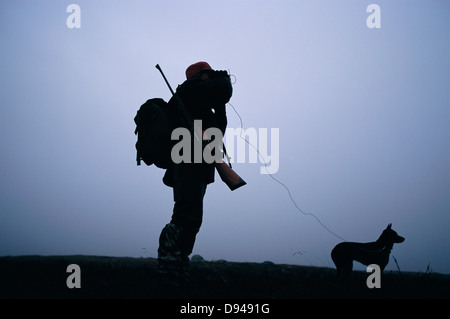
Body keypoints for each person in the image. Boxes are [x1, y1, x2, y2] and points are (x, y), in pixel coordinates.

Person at [156, 62, 233, 280]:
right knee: (185, 214)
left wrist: (220, 107)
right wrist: (224, 77)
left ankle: (177, 263)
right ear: (200, 76)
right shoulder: (189, 90)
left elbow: (218, 131)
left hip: (196, 163)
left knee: (191, 216)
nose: (213, 77)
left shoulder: (197, 100)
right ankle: (168, 267)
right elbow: (224, 90)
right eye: (209, 74)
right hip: (188, 161)